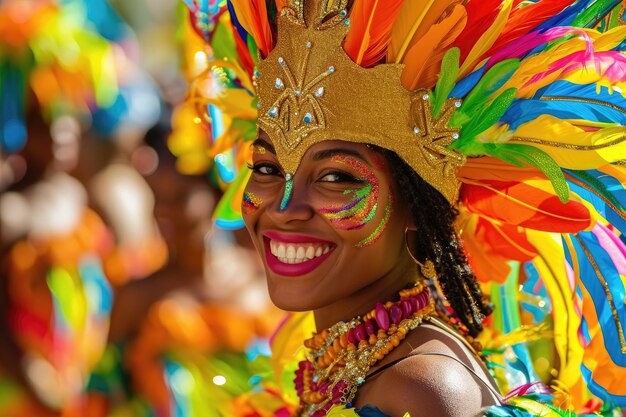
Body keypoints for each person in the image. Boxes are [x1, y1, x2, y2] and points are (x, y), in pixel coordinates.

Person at [182, 0, 626, 416]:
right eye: (266, 168)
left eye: (337, 177)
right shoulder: (367, 365)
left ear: (418, 206)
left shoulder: (421, 388)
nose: (284, 208)